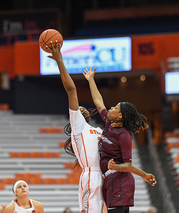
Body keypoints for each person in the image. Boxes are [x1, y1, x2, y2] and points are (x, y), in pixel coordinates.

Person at [83, 67, 157, 213]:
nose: (111, 107)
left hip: (120, 181)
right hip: (111, 180)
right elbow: (99, 103)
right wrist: (91, 80)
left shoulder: (124, 135)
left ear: (121, 116)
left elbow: (127, 165)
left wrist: (143, 175)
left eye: (116, 107)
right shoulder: (108, 124)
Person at [47, 42, 105, 213]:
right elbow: (71, 90)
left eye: (81, 108)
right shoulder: (78, 127)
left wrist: (91, 81)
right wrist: (59, 62)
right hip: (90, 175)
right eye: (77, 110)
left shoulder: (100, 130)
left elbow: (100, 104)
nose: (79, 109)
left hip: (104, 176)